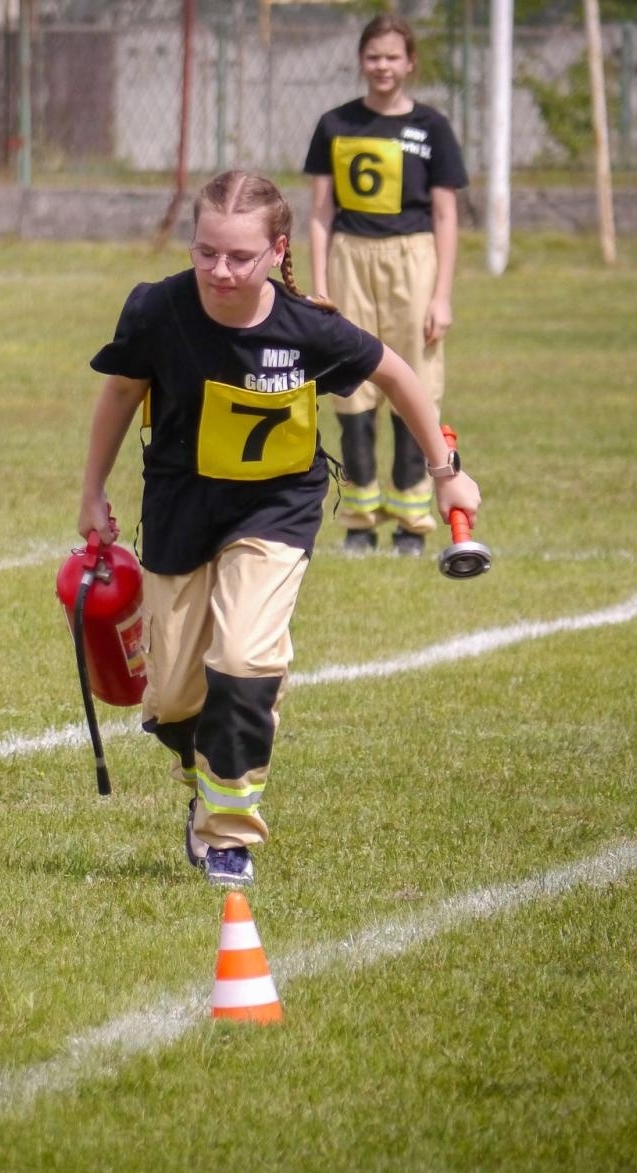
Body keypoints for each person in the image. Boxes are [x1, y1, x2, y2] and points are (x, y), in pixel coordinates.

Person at [76, 169, 480, 886]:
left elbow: (397, 376)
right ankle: (208, 774)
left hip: (276, 510)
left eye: (239, 256)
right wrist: (90, 491)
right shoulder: (157, 311)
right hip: (179, 509)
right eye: (206, 252)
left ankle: (228, 835)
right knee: (170, 699)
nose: (219, 271)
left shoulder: (306, 325)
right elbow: (119, 393)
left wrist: (445, 468)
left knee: (244, 659)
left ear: (276, 250)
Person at [304, 13, 469, 556]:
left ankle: (411, 521)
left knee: (415, 385)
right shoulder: (334, 124)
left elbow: (446, 216)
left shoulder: (433, 128)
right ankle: (358, 518)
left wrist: (441, 294)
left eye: (393, 57)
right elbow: (321, 213)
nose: (382, 66)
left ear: (410, 62)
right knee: (352, 389)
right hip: (352, 259)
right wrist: (321, 284)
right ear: (361, 61)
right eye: (373, 56)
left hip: (412, 261)